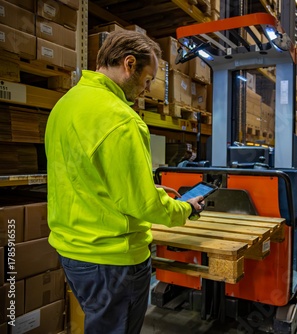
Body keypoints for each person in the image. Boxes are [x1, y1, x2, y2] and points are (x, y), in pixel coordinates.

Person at [45, 30, 203, 333]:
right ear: (128, 64)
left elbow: (83, 177)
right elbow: (144, 206)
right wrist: (185, 209)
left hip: (73, 254)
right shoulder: (122, 119)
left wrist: (142, 186)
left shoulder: (64, 106)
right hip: (113, 262)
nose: (145, 90)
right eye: (146, 80)